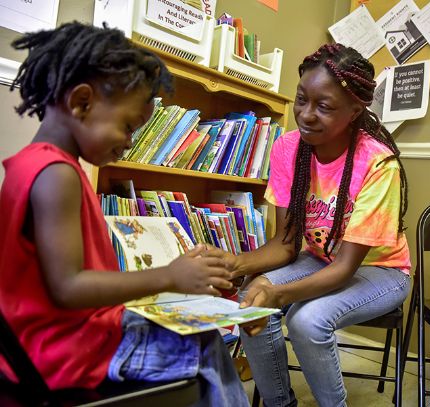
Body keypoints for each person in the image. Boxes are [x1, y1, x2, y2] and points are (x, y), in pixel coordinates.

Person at [0, 22, 252, 406]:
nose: (130, 143)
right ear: (81, 102)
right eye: (128, 126)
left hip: (45, 340)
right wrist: (169, 276)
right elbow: (67, 288)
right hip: (63, 351)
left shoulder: (37, 164)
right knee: (205, 343)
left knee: (187, 325)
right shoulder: (57, 176)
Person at [220, 43, 412, 407]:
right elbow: (286, 244)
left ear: (355, 110)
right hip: (321, 258)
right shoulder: (287, 149)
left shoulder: (378, 164)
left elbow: (345, 269)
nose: (306, 115)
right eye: (301, 100)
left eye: (324, 107)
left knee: (308, 322)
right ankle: (279, 403)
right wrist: (234, 265)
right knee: (251, 297)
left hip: (381, 270)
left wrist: (281, 295)